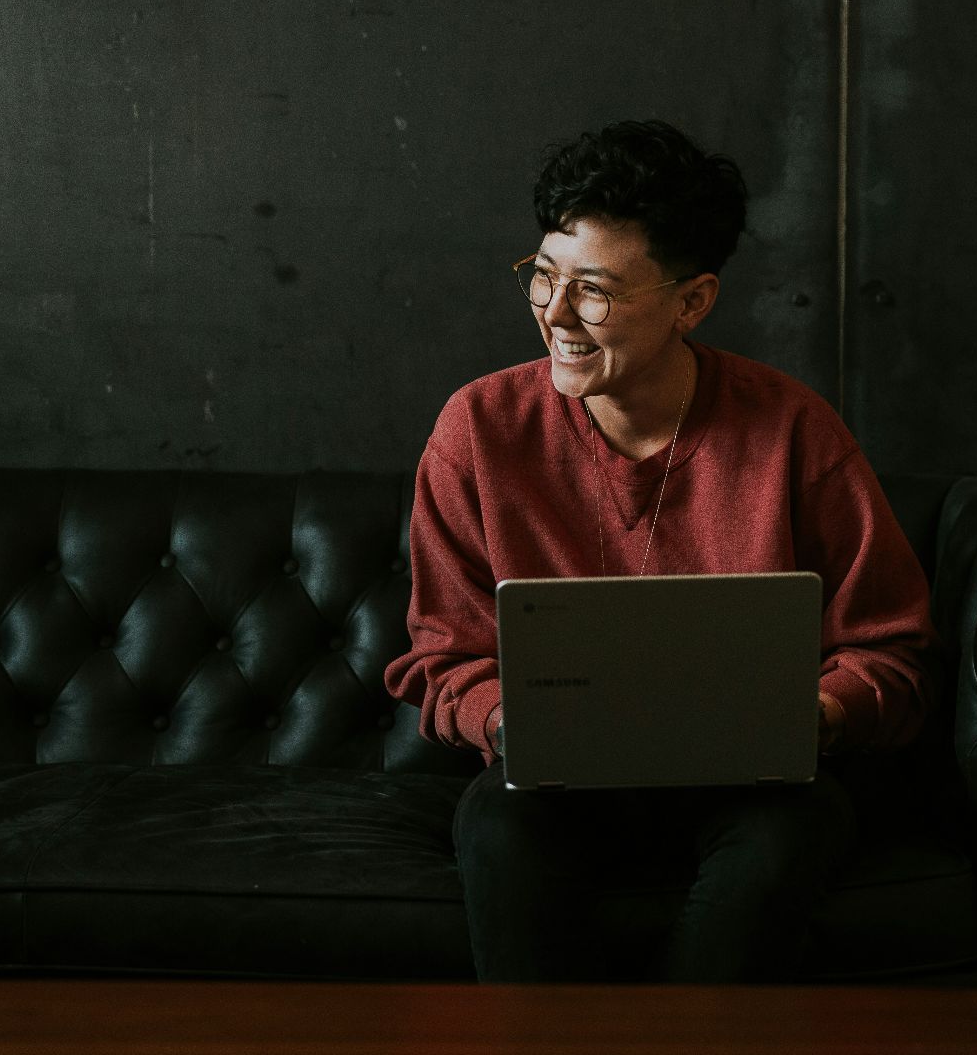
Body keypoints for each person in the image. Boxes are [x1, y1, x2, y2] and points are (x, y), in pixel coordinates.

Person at [385, 120, 937, 982]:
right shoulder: (480, 430)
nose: (557, 314)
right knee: (498, 826)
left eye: (594, 290)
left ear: (693, 301)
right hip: (554, 789)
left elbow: (888, 648)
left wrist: (815, 716)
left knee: (790, 834)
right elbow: (443, 654)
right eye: (544, 276)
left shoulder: (791, 429)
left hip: (755, 787)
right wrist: (506, 719)